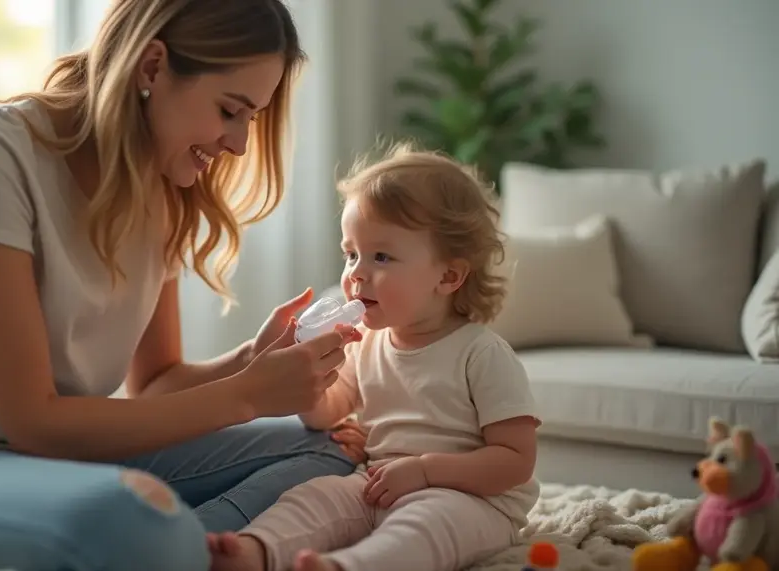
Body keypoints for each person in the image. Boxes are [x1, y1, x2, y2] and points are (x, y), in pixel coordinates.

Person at [0, 1, 363, 570]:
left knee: (330, 448)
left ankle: (198, 551)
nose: (239, 144)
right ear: (152, 67)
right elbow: (33, 424)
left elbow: (157, 383)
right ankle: (168, 546)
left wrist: (251, 362)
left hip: (68, 461)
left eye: (252, 119)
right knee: (132, 523)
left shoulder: (160, 190)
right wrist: (246, 395)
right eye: (229, 110)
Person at [206, 143, 543, 571]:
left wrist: (424, 471)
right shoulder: (364, 341)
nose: (356, 273)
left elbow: (515, 461)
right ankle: (256, 551)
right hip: (379, 482)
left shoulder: (481, 353)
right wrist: (309, 369)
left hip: (470, 501)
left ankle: (348, 565)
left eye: (380, 256)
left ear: (448, 276)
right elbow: (323, 416)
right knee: (317, 496)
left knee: (423, 527)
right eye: (351, 254)